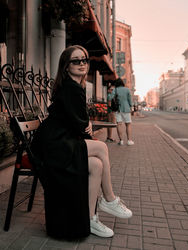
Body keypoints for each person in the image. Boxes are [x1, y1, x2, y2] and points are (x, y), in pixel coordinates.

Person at [31, 45, 132, 240]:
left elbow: (78, 121)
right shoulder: (71, 88)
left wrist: (86, 124)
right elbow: (79, 125)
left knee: (96, 164)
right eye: (76, 61)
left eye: (84, 60)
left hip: (59, 141)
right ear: (66, 66)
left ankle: (90, 218)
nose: (82, 64)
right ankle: (109, 199)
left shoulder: (75, 87)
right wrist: (85, 125)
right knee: (101, 147)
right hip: (53, 145)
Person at [111, 78, 134, 146]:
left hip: (118, 109)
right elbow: (130, 99)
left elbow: (110, 97)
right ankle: (129, 141)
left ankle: (121, 140)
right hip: (126, 109)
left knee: (119, 124)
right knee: (128, 124)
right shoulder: (127, 89)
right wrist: (131, 106)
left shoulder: (115, 90)